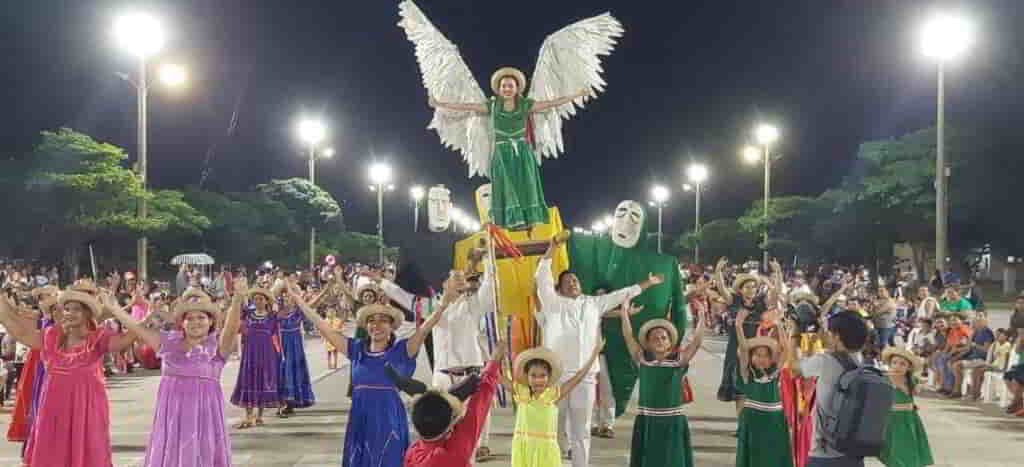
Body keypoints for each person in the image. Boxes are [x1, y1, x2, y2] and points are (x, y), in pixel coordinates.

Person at [535, 233, 665, 467]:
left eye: (575, 280)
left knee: (581, 428)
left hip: (585, 376)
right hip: (557, 376)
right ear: (559, 288)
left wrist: (648, 283)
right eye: (567, 281)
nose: (573, 283)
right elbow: (541, 275)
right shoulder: (552, 303)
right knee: (554, 425)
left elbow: (623, 294)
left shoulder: (593, 303)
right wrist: (552, 247)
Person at [291, 281, 444, 467]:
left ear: (391, 327)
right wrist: (300, 302)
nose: (376, 325)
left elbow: (426, 328)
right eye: (372, 320)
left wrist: (444, 303)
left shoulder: (402, 351)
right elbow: (324, 327)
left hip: (388, 420)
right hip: (359, 419)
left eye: (383, 321)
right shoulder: (356, 350)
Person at [0, 280, 137, 467]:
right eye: (66, 309)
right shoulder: (50, 337)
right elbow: (19, 332)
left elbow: (129, 338)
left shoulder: (97, 339)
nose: (69, 313)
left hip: (87, 414)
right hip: (53, 414)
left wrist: (121, 312)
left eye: (76, 309)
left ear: (87, 314)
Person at [376, 247, 496, 461]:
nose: (460, 281)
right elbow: (401, 296)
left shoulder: (473, 304)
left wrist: (487, 258)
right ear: (444, 284)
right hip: (443, 377)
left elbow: (491, 286)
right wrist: (381, 281)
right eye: (454, 278)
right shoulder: (431, 305)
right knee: (440, 434)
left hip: (471, 375)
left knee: (469, 439)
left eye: (462, 278)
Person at [104, 286, 242, 467]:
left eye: (201, 317)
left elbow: (231, 328)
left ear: (211, 322)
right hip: (171, 420)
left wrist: (238, 298)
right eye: (189, 318)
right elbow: (138, 329)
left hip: (204, 420)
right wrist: (115, 309)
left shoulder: (216, 349)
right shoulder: (167, 343)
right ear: (182, 323)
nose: (195, 322)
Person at [394, 340, 507, 467]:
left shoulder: (412, 452)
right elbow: (478, 406)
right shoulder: (453, 450)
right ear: (450, 426)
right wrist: (494, 362)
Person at [621, 298, 704, 467]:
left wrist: (702, 316)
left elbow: (696, 342)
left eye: (663, 338)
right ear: (648, 343)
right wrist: (624, 313)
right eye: (655, 338)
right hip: (648, 419)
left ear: (669, 342)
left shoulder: (678, 361)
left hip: (672, 419)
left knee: (672, 460)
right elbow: (628, 336)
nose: (660, 340)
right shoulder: (643, 359)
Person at [786, 310, 871, 467]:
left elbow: (794, 368)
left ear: (837, 337)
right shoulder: (859, 360)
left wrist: (794, 335)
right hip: (853, 452)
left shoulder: (826, 361)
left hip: (824, 454)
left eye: (830, 332)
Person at [504, 337, 603, 467]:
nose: (538, 380)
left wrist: (594, 355)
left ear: (549, 377)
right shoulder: (522, 393)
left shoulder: (552, 395)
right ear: (527, 376)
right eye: (533, 375)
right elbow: (499, 378)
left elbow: (577, 378)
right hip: (524, 448)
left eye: (542, 375)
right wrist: (498, 357)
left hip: (546, 452)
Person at [735, 309, 793, 467]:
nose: (761, 359)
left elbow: (786, 351)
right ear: (751, 357)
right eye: (757, 355)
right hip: (753, 419)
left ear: (771, 359)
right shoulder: (748, 374)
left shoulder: (775, 373)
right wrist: (738, 326)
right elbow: (744, 348)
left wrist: (779, 325)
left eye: (765, 356)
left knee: (773, 455)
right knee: (753, 454)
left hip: (774, 420)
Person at [229, 285, 286, 428]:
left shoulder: (272, 317)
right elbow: (235, 314)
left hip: (267, 354)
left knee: (262, 380)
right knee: (249, 380)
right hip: (250, 353)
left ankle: (259, 416)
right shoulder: (247, 314)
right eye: (255, 299)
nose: (258, 301)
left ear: (266, 301)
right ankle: (248, 415)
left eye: (261, 299)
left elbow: (282, 315)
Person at [879, 347, 934, 467]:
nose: (897, 366)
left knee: (908, 447)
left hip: (908, 418)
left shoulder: (910, 379)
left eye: (902, 364)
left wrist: (901, 385)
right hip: (891, 418)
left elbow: (914, 392)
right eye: (894, 363)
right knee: (893, 449)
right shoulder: (885, 378)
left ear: (908, 368)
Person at [277, 291, 316, 416]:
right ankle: (282, 403)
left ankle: (290, 403)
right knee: (281, 372)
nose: (287, 299)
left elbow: (312, 304)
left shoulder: (298, 312)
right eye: (285, 297)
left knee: (293, 372)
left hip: (295, 348)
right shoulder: (277, 314)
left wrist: (326, 289)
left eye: (289, 297)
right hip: (282, 346)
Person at [949, 316, 994, 399]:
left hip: (982, 359)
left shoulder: (987, 332)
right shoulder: (976, 332)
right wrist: (958, 355)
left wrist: (975, 345)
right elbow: (968, 347)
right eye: (974, 322)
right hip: (973, 358)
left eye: (976, 322)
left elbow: (986, 349)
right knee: (954, 363)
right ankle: (960, 389)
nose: (974, 324)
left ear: (983, 323)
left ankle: (958, 391)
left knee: (957, 366)